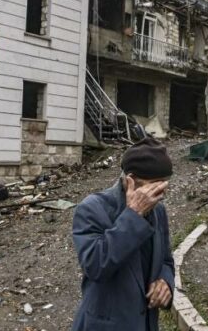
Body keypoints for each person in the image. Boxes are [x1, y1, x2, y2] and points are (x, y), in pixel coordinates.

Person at [71, 137, 175, 330]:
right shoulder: (92, 209)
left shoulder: (158, 211)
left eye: (163, 185)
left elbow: (166, 260)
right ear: (130, 182)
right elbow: (95, 265)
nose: (159, 194)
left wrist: (165, 282)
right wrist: (133, 215)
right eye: (153, 186)